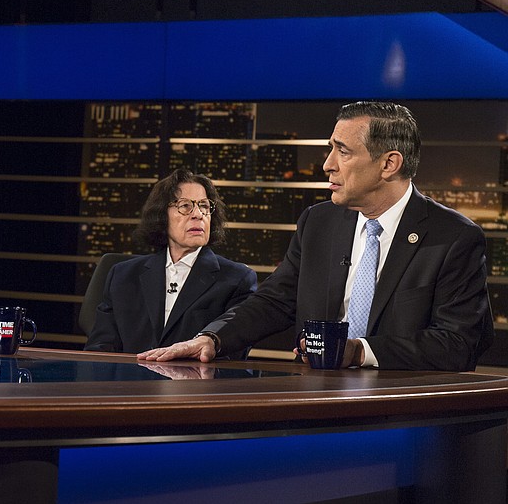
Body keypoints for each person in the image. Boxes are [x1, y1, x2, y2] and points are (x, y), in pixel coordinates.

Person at [139, 102, 493, 371]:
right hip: (315, 400)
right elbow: (275, 300)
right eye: (330, 148)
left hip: (400, 413)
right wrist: (211, 339)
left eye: (343, 151)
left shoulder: (454, 238)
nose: (328, 164)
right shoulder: (318, 222)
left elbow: (458, 342)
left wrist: (358, 350)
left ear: (389, 164)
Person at [84, 168, 257, 354]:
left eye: (204, 206)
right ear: (161, 215)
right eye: (185, 206)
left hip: (193, 382)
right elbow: (99, 349)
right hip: (129, 381)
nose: (198, 214)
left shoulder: (236, 279)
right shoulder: (123, 275)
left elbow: (234, 356)